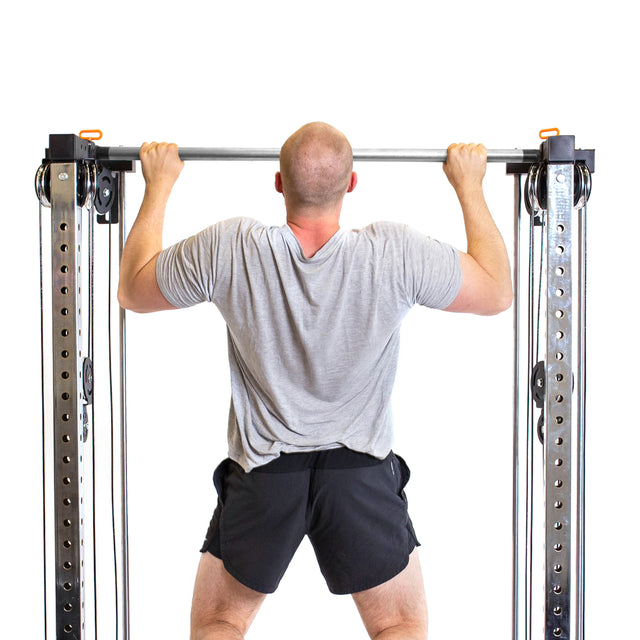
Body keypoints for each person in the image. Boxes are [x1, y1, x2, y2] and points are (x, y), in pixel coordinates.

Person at [118, 122, 512, 640]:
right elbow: (497, 291)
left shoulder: (231, 246)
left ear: (278, 182)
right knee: (398, 625)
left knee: (220, 623)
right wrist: (469, 186)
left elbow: (133, 289)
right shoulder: (393, 252)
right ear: (352, 184)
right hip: (358, 475)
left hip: (265, 475)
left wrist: (159, 184)